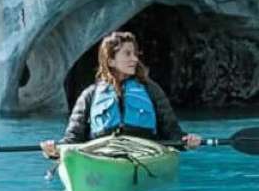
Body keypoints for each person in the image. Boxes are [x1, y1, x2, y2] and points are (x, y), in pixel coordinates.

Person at [41, 30, 202, 159]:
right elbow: (73, 139)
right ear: (110, 61)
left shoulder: (151, 90)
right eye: (127, 54)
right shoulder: (90, 95)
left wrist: (187, 141)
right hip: (102, 152)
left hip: (144, 151)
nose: (134, 59)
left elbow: (172, 132)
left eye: (135, 54)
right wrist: (54, 151)